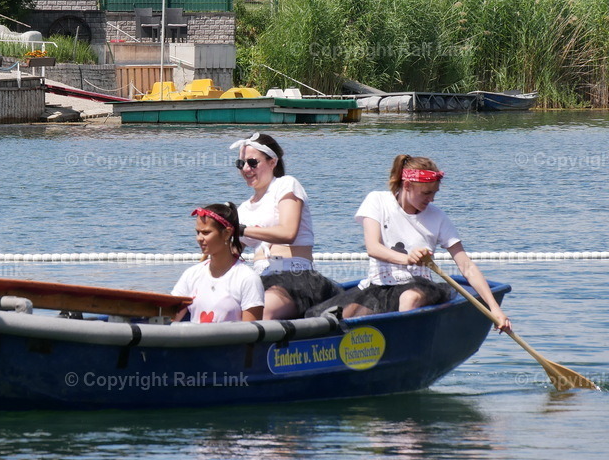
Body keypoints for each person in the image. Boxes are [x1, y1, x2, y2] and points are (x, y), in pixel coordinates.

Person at [313, 155, 511, 330]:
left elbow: (466, 265)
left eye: (434, 193)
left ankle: (403, 341)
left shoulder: (438, 218)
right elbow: (373, 247)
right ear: (406, 185)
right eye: (426, 193)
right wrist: (407, 258)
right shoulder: (377, 201)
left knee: (409, 297)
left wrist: (494, 309)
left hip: (419, 286)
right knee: (334, 317)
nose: (431, 199)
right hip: (378, 287)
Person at [231, 132, 340, 319]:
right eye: (241, 164)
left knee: (264, 312)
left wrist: (240, 230)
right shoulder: (243, 209)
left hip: (296, 277)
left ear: (272, 162)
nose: (246, 169)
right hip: (260, 279)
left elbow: (288, 232)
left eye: (252, 163)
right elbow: (231, 254)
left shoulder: (286, 185)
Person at [172, 203, 264, 323]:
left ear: (226, 233)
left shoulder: (248, 279)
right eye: (197, 232)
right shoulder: (191, 274)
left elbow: (251, 334)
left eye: (206, 233)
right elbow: (170, 318)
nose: (199, 238)